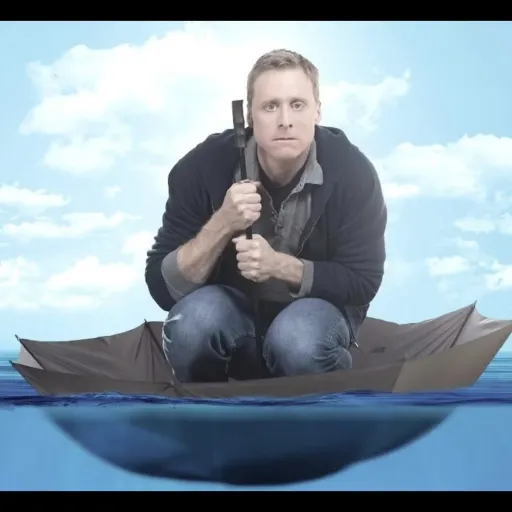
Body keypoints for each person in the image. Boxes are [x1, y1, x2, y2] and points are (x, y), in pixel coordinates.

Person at [145, 49, 387, 383]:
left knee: (297, 341)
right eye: (270, 106)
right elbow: (163, 287)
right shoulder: (201, 168)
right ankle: (214, 407)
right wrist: (222, 223)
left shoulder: (353, 171)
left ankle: (325, 393)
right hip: (234, 315)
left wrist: (280, 266)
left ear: (318, 111)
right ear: (249, 116)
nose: (285, 120)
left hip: (315, 315)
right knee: (191, 326)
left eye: (297, 105)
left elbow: (363, 281)